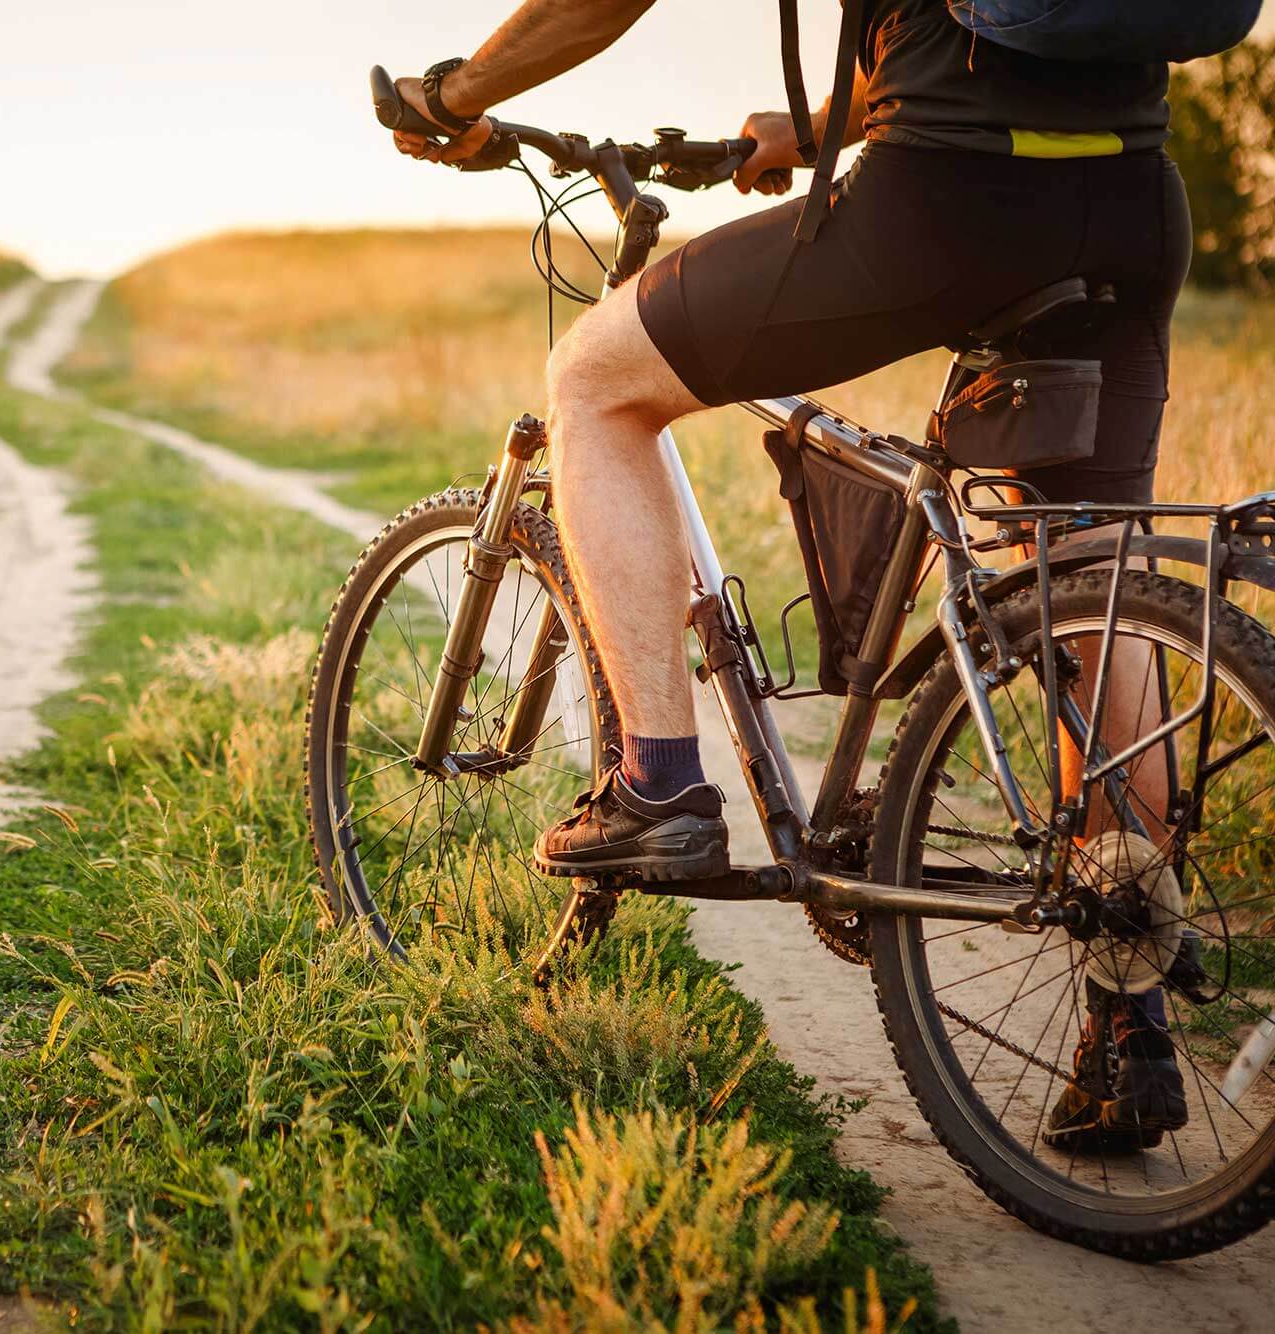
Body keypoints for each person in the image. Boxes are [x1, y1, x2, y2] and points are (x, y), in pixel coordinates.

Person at [386, 0, 1192, 1147]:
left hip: (946, 202)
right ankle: (1129, 1013)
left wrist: (455, 98)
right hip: (1129, 204)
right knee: (1094, 578)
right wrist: (817, 127)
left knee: (593, 382)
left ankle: (656, 784)